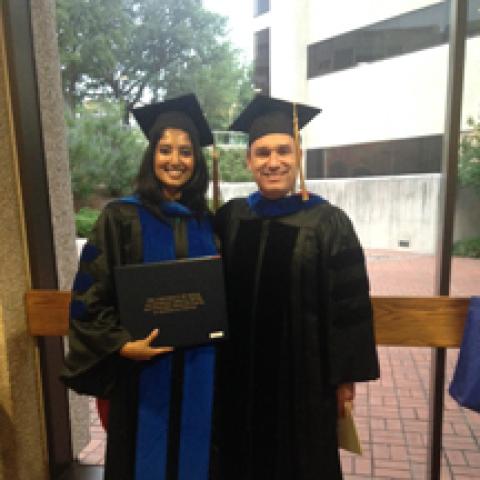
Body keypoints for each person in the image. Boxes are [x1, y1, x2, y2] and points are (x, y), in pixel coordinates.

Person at [211, 95, 380, 479]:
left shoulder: (329, 223)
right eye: (263, 152)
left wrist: (344, 380)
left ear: (298, 154)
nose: (274, 162)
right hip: (236, 378)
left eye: (283, 151)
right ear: (248, 161)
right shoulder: (230, 218)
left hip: (304, 383)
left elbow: (348, 307)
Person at [61, 94, 218, 480]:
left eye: (185, 151)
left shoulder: (208, 221)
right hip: (142, 369)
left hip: (202, 368)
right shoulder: (120, 217)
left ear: (196, 160)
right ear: (152, 156)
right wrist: (120, 344)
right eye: (165, 150)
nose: (175, 160)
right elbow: (89, 296)